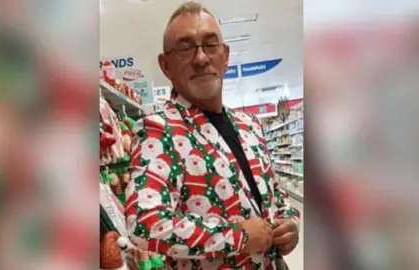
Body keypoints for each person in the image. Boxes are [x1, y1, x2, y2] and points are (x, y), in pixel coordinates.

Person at [125, 2, 300, 269]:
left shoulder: (249, 124)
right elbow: (144, 222)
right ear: (165, 66)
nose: (201, 58)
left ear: (225, 55)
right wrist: (237, 236)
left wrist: (289, 222)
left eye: (211, 44)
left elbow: (274, 192)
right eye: (185, 47)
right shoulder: (158, 130)